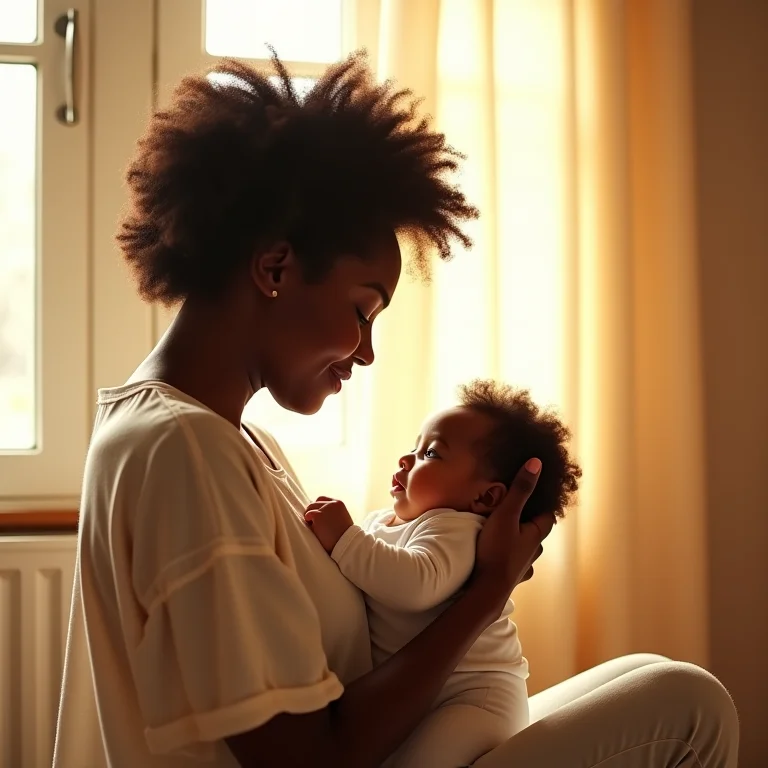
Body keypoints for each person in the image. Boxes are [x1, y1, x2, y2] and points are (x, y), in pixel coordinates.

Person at [52, 52, 739, 768]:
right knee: (688, 705)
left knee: (645, 675)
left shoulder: (229, 439)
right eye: (363, 310)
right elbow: (308, 761)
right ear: (275, 268)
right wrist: (485, 594)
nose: (367, 352)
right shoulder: (184, 449)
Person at [304, 379, 581, 767]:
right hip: (427, 696)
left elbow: (417, 585)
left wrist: (345, 540)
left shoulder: (457, 528)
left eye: (430, 454)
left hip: (476, 698)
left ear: (486, 497)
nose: (406, 459)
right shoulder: (385, 521)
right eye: (415, 446)